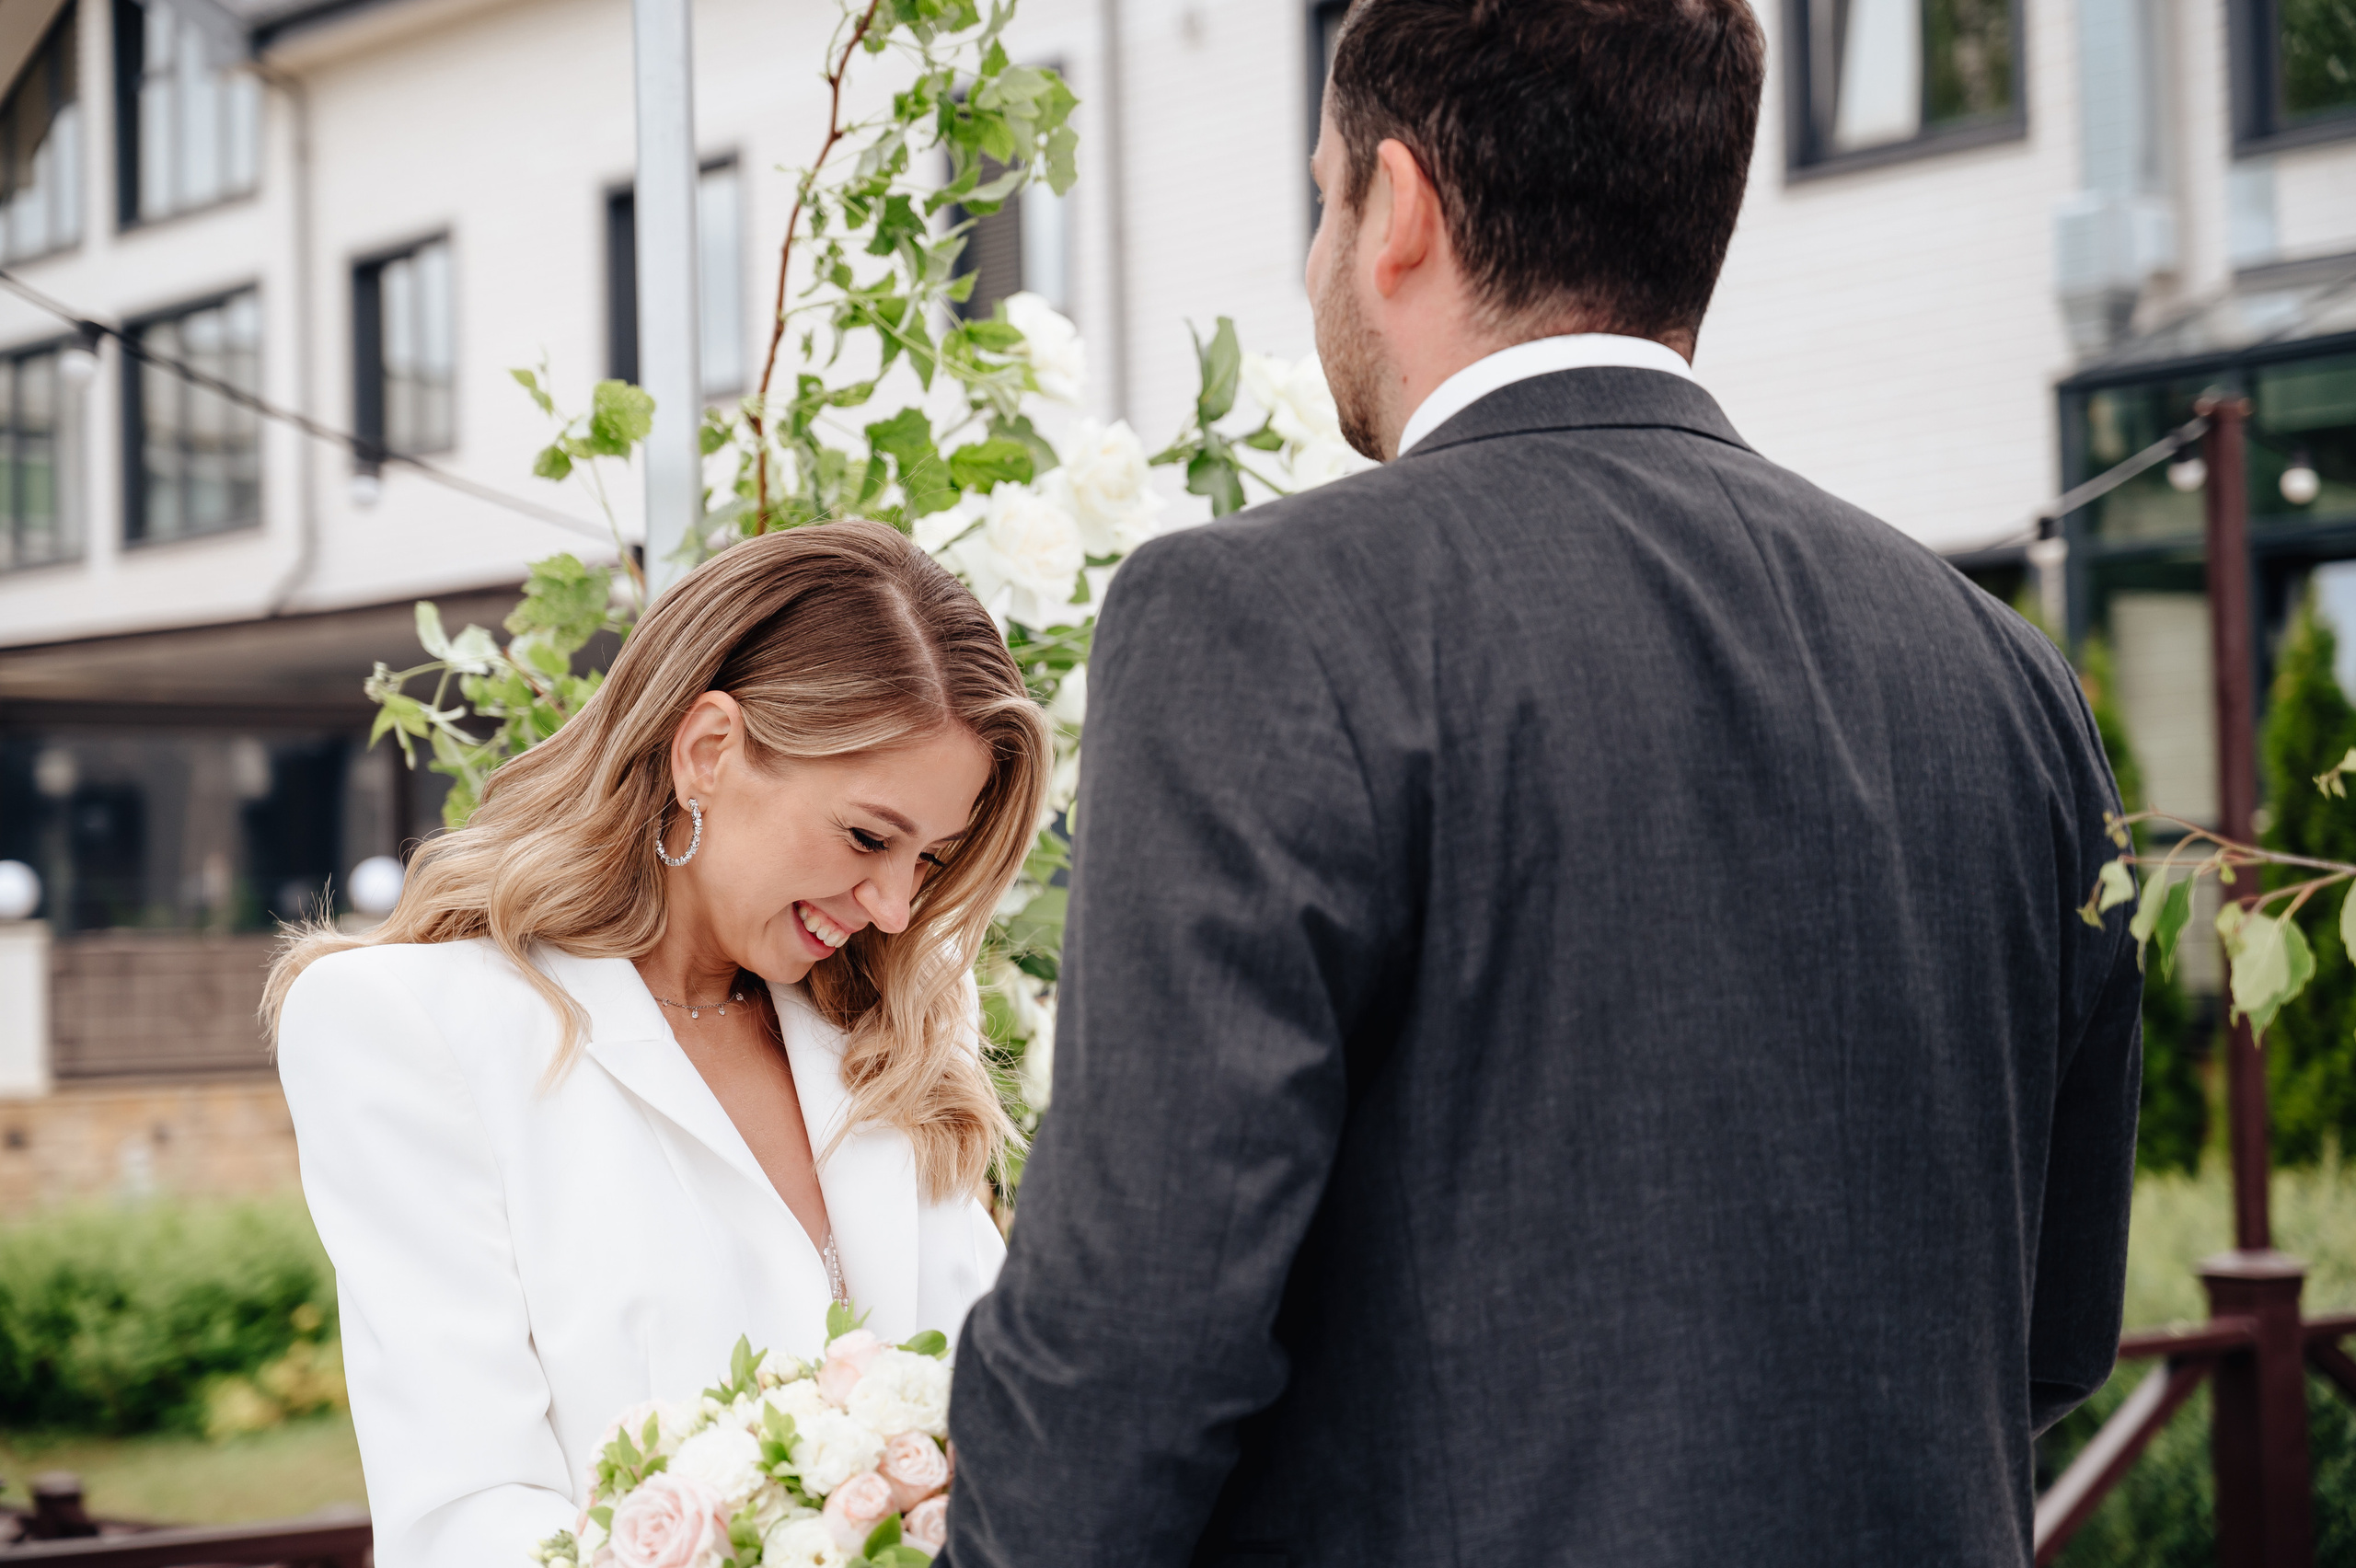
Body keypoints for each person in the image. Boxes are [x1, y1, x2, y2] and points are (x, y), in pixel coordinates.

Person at [943, 1, 2142, 1564]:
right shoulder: (2007, 680)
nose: (1313, 261)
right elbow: (2052, 1329)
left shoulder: (1263, 619)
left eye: (1324, 197)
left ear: (1400, 208)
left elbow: (1134, 1339)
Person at [269, 522, 1049, 1568]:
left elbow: (1008, 1433)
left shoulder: (898, 1041)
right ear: (708, 753)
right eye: (868, 837)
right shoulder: (415, 1027)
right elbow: (465, 1518)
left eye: (930, 860)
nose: (897, 907)